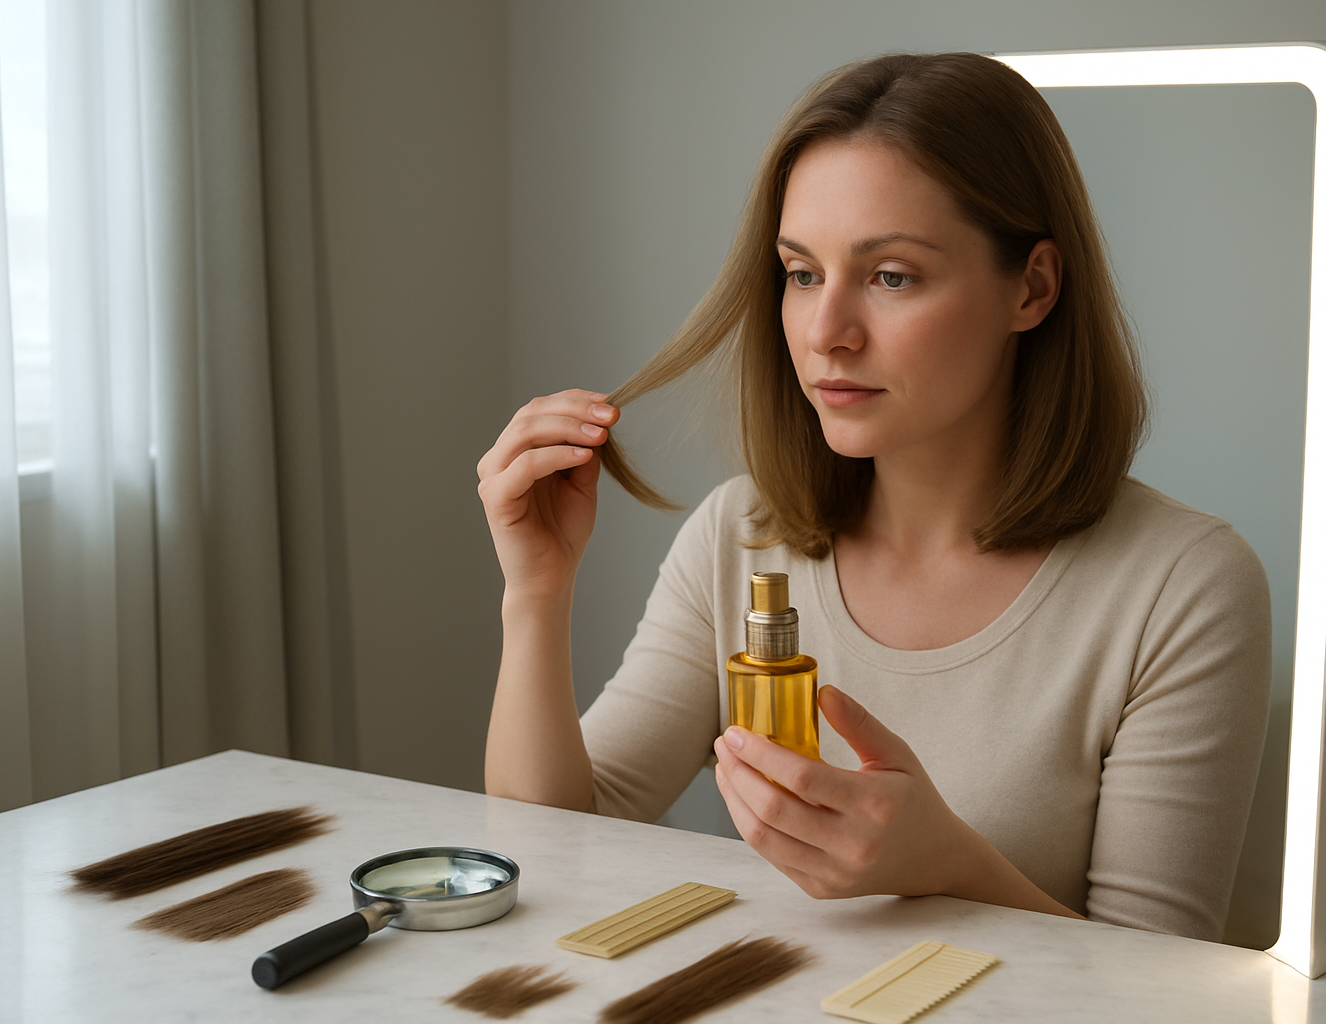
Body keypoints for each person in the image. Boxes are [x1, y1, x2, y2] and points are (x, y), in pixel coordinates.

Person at [477, 52, 1270, 942]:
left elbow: (1169, 984)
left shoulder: (1184, 586)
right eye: (802, 273)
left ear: (1033, 287)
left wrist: (952, 867)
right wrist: (535, 594)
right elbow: (550, 838)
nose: (826, 335)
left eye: (892, 276)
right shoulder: (738, 535)